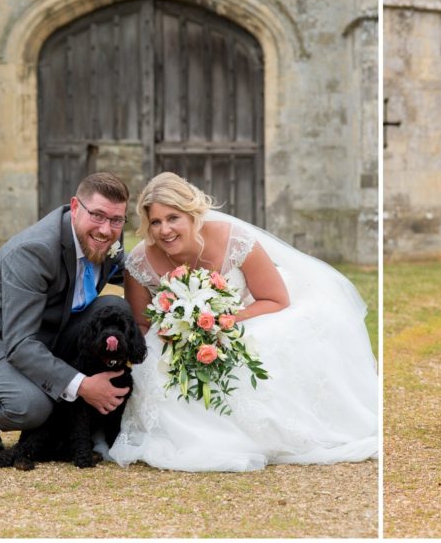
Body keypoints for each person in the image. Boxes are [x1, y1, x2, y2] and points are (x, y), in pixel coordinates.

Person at [108, 172, 378, 471]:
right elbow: (141, 324)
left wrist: (222, 321)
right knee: (157, 360)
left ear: (193, 214)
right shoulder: (140, 261)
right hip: (179, 331)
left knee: (267, 344)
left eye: (173, 218)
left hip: (252, 313)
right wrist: (178, 330)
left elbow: (276, 300)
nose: (165, 230)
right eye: (155, 222)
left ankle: (268, 431)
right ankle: (200, 434)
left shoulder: (233, 239)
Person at [0, 172, 132, 453]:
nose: (106, 230)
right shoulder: (34, 251)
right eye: (98, 216)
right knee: (31, 406)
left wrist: (187, 299)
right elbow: (19, 344)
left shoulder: (103, 240)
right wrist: (82, 386)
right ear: (75, 207)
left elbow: (139, 277)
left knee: (115, 308)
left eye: (116, 220)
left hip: (45, 333)